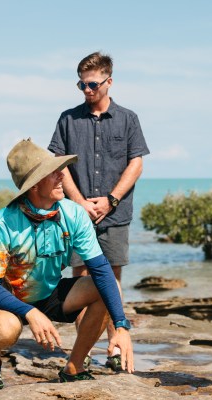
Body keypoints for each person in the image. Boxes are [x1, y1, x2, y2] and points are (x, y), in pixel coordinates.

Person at [0, 138, 134, 392]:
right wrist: (29, 312)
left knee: (108, 287)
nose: (62, 176)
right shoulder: (3, 222)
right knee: (5, 331)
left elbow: (101, 270)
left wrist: (122, 326)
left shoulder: (73, 214)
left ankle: (74, 367)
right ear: (35, 184)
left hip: (49, 293)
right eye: (53, 173)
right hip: (5, 300)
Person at [48, 51, 149, 371]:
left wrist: (111, 200)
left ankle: (114, 346)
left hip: (114, 213)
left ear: (109, 81)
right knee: (81, 279)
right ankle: (82, 351)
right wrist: (79, 202)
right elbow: (57, 165)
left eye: (92, 84)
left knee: (112, 277)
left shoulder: (128, 118)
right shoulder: (68, 118)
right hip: (76, 214)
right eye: (81, 84)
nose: (86, 90)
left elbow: (136, 163)